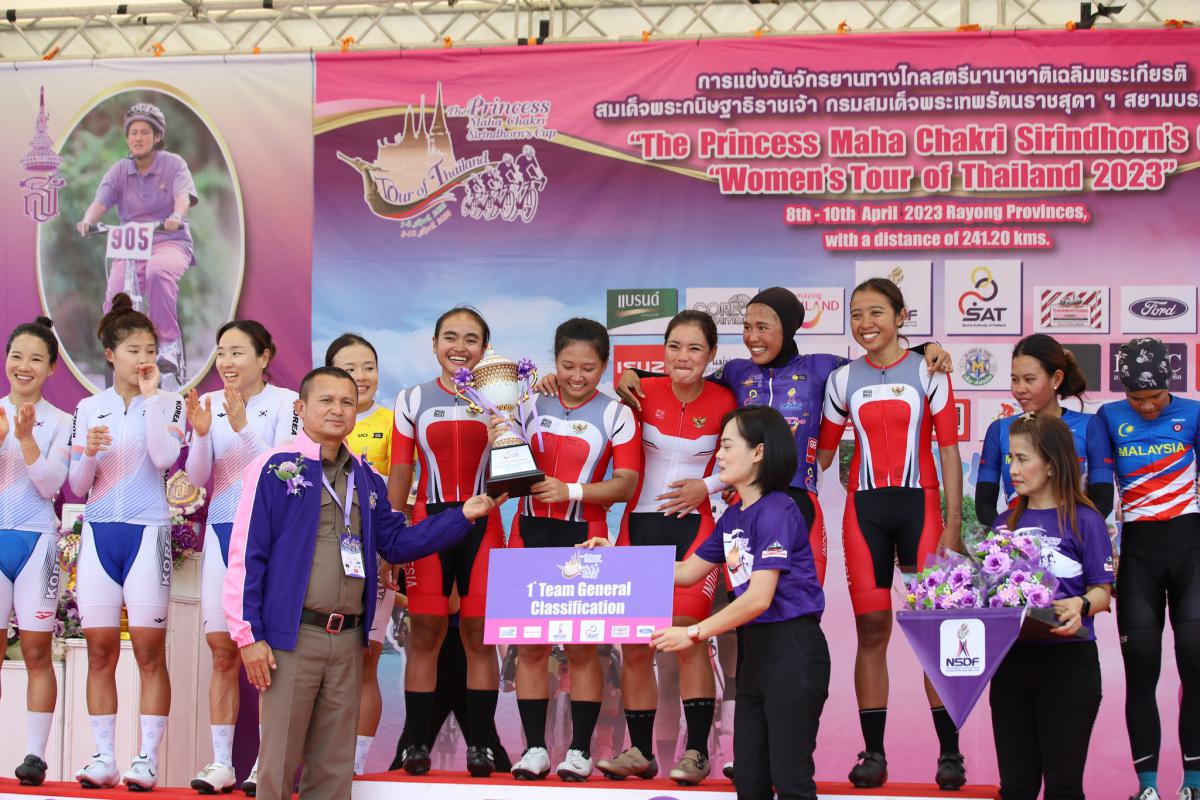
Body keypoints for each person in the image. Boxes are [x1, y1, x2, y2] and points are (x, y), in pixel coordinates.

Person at [222, 366, 502, 800]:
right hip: (291, 639)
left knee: (334, 769)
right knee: (278, 765)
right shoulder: (274, 469)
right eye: (326, 400)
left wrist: (461, 516)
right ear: (301, 408)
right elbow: (246, 554)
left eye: (347, 402)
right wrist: (248, 636)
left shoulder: (366, 478)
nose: (338, 410)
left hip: (349, 639)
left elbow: (398, 543)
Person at [634, 405, 827, 800]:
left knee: (790, 780)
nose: (718, 455)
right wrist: (615, 560)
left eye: (726, 445)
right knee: (750, 782)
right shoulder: (734, 516)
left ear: (758, 452)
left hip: (793, 651)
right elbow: (687, 571)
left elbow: (758, 598)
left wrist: (694, 633)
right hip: (755, 655)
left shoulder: (777, 511)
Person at [816, 277, 965, 790]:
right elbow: (822, 455)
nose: (865, 323)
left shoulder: (929, 370)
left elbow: (949, 451)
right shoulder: (841, 380)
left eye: (876, 312)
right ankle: (873, 754)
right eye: (856, 314)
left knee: (933, 630)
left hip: (921, 508)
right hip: (865, 513)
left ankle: (951, 754)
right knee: (871, 630)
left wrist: (953, 523)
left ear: (901, 317)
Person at [594, 310, 735, 785]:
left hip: (695, 529)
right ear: (663, 351)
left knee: (688, 637)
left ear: (711, 355)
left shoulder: (726, 400)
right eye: (674, 346)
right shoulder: (639, 393)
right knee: (635, 646)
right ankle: (639, 752)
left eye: (695, 348)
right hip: (638, 526)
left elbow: (744, 460)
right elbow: (588, 399)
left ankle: (696, 753)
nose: (683, 357)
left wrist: (706, 486)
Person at [505, 318, 641, 782]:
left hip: (585, 535)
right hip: (527, 532)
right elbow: (503, 457)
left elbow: (625, 484)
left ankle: (580, 750)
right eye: (567, 366)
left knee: (583, 650)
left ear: (604, 365)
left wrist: (572, 491)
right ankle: (534, 750)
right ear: (554, 360)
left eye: (588, 368)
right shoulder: (529, 401)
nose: (577, 376)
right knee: (530, 647)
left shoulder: (617, 414)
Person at [69, 293, 186, 791]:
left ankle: (146, 760)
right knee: (99, 651)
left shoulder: (171, 403)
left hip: (148, 532)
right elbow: (77, 485)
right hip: (99, 533)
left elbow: (163, 460)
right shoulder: (87, 408)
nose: (144, 359)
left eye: (150, 350)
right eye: (134, 350)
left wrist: (154, 398)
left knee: (148, 652)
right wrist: (90, 454)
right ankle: (103, 757)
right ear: (110, 355)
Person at [385, 308, 507, 778]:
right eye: (450, 337)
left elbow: (518, 465)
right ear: (435, 344)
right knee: (425, 633)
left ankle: (481, 746)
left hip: (484, 523)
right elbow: (401, 470)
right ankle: (416, 744)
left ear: (485, 348)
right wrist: (391, 536)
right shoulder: (412, 398)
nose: (460, 347)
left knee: (479, 636)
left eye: (471, 339)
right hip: (428, 525)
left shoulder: (503, 398)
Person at [185, 320, 298, 794]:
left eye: (237, 352)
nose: (227, 362)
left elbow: (284, 471)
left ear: (264, 356)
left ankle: (264, 765)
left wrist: (241, 427)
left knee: (267, 655)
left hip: (268, 538)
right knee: (221, 651)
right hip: (220, 531)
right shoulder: (209, 402)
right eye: (221, 352)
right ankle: (222, 763)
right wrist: (200, 435)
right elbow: (197, 476)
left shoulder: (288, 402)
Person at [1095, 338, 1200, 800]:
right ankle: (1148, 788)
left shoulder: (1194, 413)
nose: (1148, 406)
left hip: (1191, 548)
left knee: (1196, 667)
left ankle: (1193, 784)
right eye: (1137, 398)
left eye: (1155, 396)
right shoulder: (1108, 417)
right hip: (1138, 555)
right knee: (1141, 672)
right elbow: (1100, 490)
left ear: (1169, 383)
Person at [989, 412, 1114, 800]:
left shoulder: (1086, 520)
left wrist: (1080, 604)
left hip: (1069, 664)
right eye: (1010, 458)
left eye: (1022, 459)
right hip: (1011, 665)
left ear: (1052, 464)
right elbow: (991, 596)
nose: (1013, 469)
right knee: (1016, 789)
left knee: (1063, 787)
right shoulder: (1002, 524)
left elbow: (1103, 593)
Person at [76, 103, 198, 391]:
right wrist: (88, 220)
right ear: (127, 138)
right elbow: (101, 202)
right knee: (115, 297)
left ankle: (168, 344)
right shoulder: (120, 170)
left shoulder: (173, 164)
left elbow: (183, 196)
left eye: (145, 132)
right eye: (133, 133)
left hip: (168, 241)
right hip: (131, 246)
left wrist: (176, 215)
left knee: (158, 272)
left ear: (157, 137)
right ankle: (116, 352)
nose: (138, 138)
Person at [1, 318, 71, 787]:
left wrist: (25, 439)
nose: (24, 366)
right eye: (16, 356)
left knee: (35, 651)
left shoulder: (62, 422)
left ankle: (34, 756)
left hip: (37, 542)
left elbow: (51, 486)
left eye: (35, 359)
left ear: (51, 368)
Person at [324, 333, 397, 776]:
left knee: (366, 660)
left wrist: (391, 552)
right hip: (320, 561)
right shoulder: (315, 424)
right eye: (350, 368)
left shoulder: (393, 421)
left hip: (372, 558)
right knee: (316, 661)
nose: (361, 376)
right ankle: (316, 760)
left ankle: (354, 766)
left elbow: (402, 492)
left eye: (368, 367)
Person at [976, 334, 1114, 526]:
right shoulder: (999, 429)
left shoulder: (1090, 426)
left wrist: (1066, 536)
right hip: (1018, 540)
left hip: (1073, 537)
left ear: (1056, 378)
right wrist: (1010, 539)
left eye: (1029, 379)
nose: (1020, 389)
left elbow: (1103, 500)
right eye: (1015, 379)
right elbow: (984, 504)